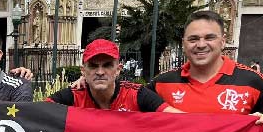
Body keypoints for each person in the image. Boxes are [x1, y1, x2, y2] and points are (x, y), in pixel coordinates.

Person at [49, 38, 182, 113]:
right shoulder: (72, 96)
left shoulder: (136, 94)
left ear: (118, 70)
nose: (100, 72)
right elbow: (35, 113)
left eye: (107, 65)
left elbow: (178, 117)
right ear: (83, 71)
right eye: (93, 66)